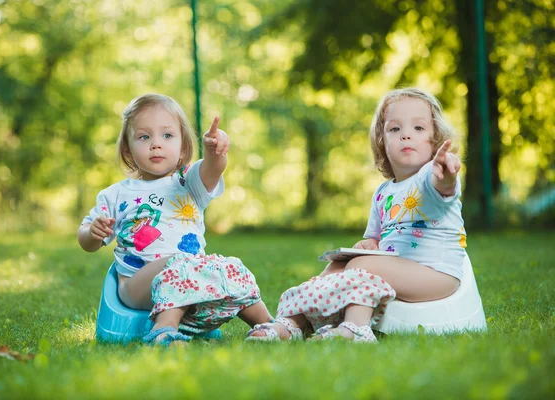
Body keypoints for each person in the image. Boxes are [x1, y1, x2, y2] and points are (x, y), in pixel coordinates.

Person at [246, 87, 467, 343]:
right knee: (336, 267)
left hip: (436, 274)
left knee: (363, 266)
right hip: (400, 269)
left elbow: (443, 187)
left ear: (436, 140)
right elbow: (375, 240)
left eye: (418, 129)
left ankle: (356, 328)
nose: (406, 135)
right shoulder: (384, 192)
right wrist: (367, 245)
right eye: (395, 129)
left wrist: (446, 173)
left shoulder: (430, 176)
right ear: (382, 141)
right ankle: (292, 323)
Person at [78, 93, 273, 346]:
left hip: (192, 278)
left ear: (183, 146)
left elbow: (212, 169)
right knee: (177, 264)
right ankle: (164, 331)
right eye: (144, 137)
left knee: (232, 268)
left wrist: (215, 152)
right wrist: (92, 232)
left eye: (167, 136)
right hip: (138, 287)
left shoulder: (188, 182)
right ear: (127, 147)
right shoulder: (116, 194)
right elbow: (86, 241)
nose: (156, 144)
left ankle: (269, 324)